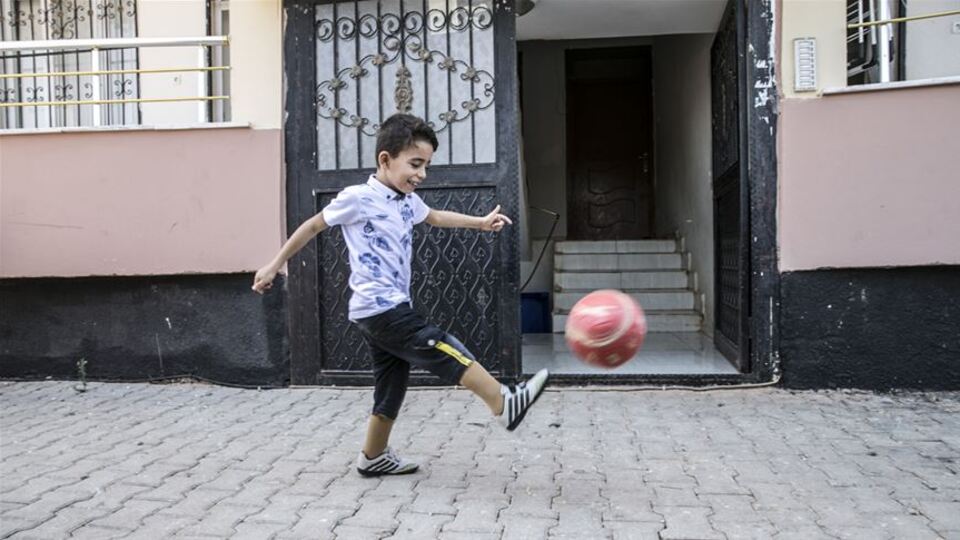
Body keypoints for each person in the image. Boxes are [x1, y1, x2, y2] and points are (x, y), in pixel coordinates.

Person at [252, 113, 550, 477]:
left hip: (386, 308)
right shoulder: (359, 199)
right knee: (440, 345)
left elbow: (435, 217)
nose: (422, 174)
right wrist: (274, 265)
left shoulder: (406, 201)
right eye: (415, 164)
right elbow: (313, 226)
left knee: (391, 383)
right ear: (385, 159)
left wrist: (480, 223)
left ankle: (373, 456)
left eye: (426, 166)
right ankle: (502, 402)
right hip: (379, 307)